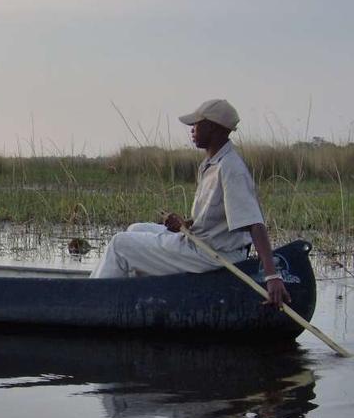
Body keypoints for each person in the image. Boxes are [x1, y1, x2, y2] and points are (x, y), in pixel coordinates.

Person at [90, 99, 291, 308]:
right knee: (135, 229)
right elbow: (215, 218)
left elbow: (255, 224)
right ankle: (133, 293)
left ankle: (91, 300)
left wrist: (272, 277)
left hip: (210, 254)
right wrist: (186, 224)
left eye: (197, 125)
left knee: (120, 244)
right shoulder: (212, 164)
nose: (192, 130)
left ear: (213, 128)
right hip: (201, 241)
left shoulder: (231, 169)